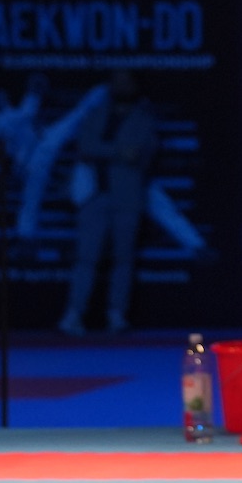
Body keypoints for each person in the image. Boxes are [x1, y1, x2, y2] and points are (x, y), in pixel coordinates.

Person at [59, 71, 156, 335]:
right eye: (117, 82)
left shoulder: (144, 118)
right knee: (85, 257)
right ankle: (74, 314)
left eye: (126, 82)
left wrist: (106, 150)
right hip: (94, 196)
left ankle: (116, 314)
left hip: (127, 197)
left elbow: (139, 153)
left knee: (123, 258)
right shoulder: (96, 114)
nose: (121, 86)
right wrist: (119, 151)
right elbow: (85, 145)